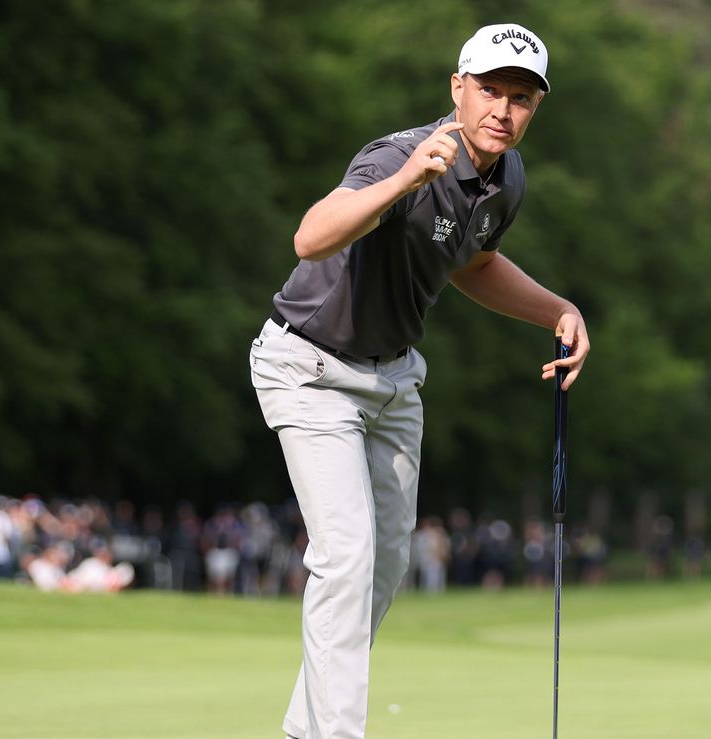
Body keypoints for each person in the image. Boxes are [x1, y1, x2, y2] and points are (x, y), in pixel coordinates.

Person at [249, 23, 589, 739]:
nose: (502, 109)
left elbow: (473, 263)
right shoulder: (398, 157)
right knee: (346, 555)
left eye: (520, 98)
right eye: (490, 90)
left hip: (394, 380)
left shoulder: (507, 178)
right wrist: (406, 182)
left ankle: (304, 728)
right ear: (457, 89)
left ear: (535, 109)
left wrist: (557, 308)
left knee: (386, 564)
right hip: (309, 369)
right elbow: (311, 238)